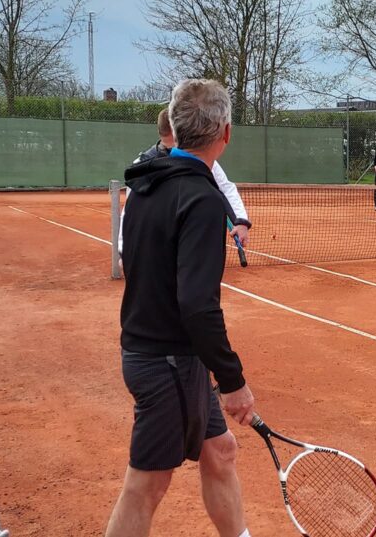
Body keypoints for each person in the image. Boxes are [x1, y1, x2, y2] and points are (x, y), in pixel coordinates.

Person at [106, 79, 256, 537]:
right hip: (166, 359)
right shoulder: (201, 198)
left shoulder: (147, 184)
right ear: (225, 134)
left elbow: (129, 259)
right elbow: (197, 305)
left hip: (165, 354)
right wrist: (232, 383)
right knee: (146, 485)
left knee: (220, 451)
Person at [118, 108, 250, 257]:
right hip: (157, 249)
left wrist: (241, 221)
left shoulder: (201, 159)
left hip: (191, 243)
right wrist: (124, 250)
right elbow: (131, 211)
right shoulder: (142, 164)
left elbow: (226, 187)